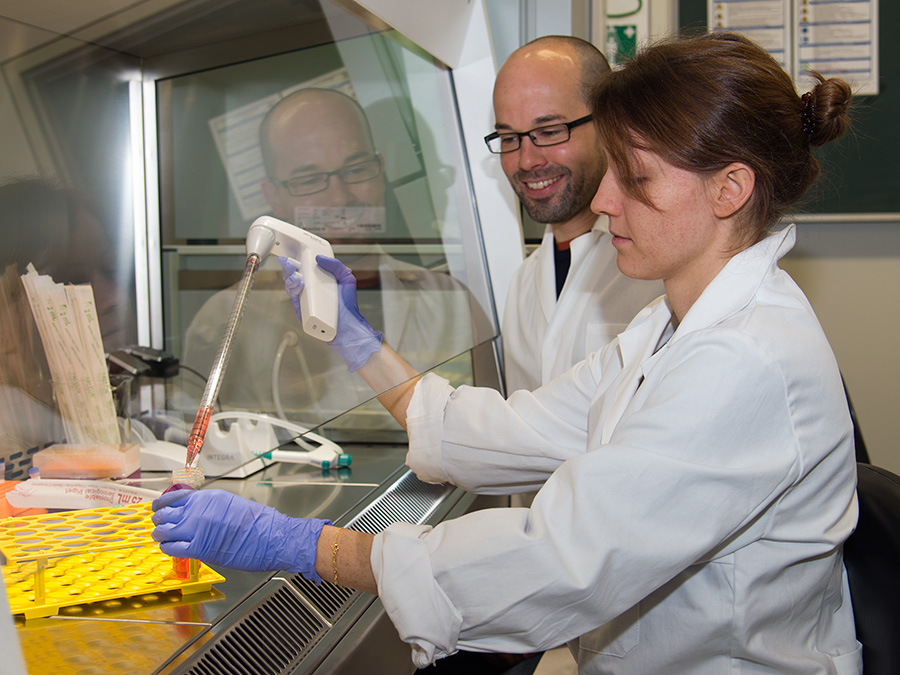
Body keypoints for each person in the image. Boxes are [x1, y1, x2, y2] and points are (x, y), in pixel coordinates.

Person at [153, 32, 861, 674]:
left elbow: (562, 559)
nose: (606, 200)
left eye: (635, 178)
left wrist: (307, 547)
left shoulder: (745, 359)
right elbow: (515, 429)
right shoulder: (667, 326)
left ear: (730, 189)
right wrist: (352, 336)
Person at [182, 88, 486, 431]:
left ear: (380, 171)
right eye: (310, 180)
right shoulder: (224, 322)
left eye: (356, 169)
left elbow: (488, 439)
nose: (340, 197)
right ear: (274, 197)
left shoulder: (452, 305)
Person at [491, 36, 662, 394]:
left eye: (549, 132)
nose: (526, 161)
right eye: (509, 139)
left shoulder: (660, 267)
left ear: (608, 125)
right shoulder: (523, 284)